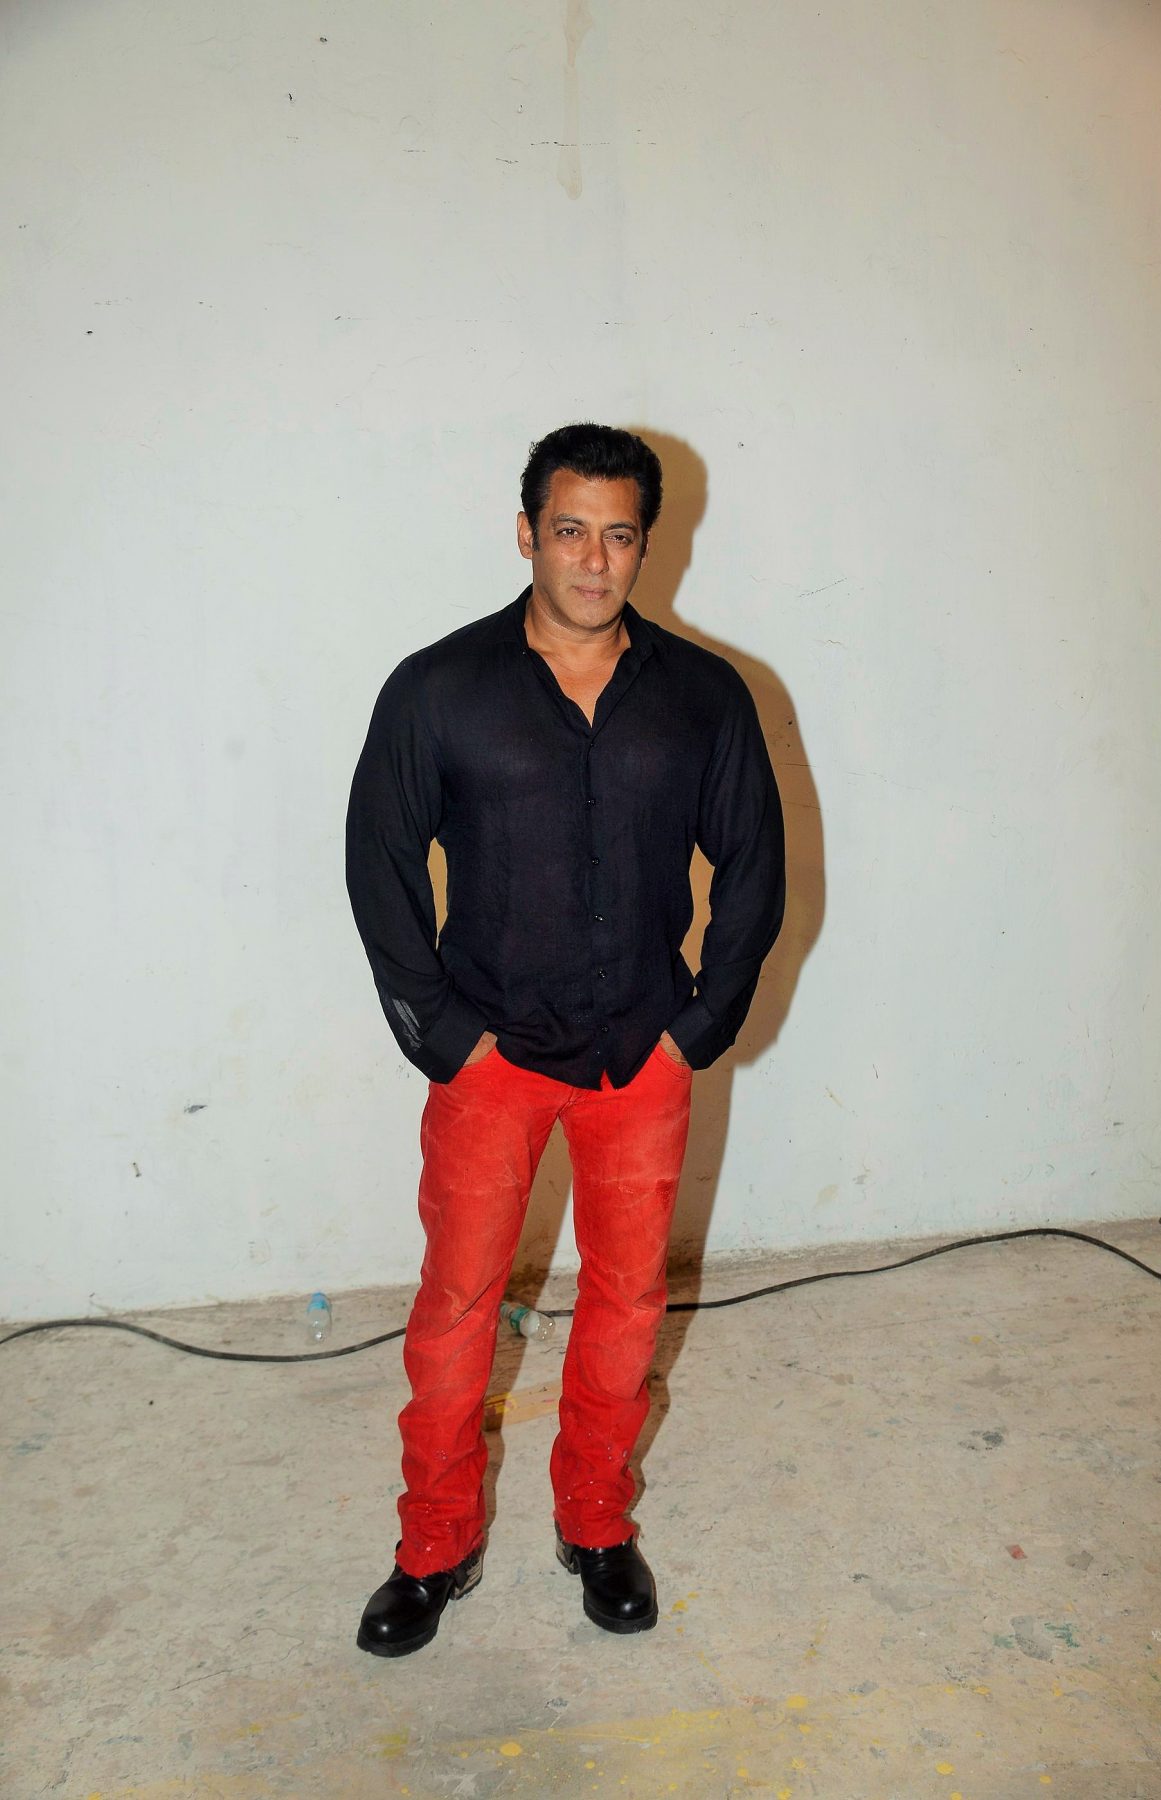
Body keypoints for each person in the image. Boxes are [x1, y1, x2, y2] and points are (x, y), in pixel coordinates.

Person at [346, 423, 785, 1656]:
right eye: (572, 528)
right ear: (527, 531)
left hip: (637, 1063)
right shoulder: (440, 689)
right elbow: (378, 861)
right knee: (455, 1314)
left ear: (648, 540)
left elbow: (754, 865)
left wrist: (696, 1029)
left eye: (621, 533)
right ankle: (433, 1546)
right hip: (491, 1065)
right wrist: (443, 1036)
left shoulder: (705, 697)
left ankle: (595, 1524)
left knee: (627, 1305)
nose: (596, 558)